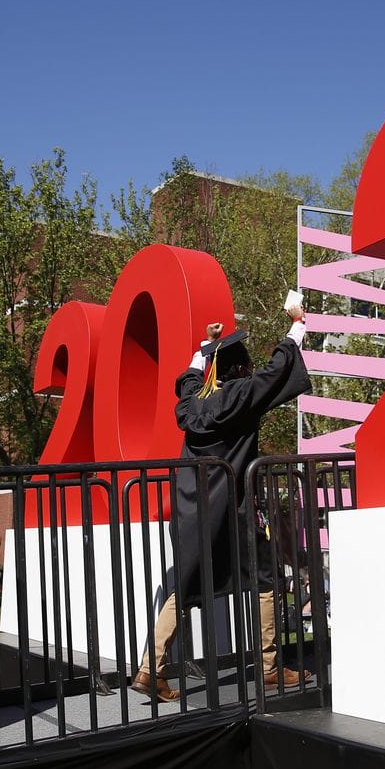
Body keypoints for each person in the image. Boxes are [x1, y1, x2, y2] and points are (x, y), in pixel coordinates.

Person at [132, 300, 313, 701]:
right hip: (233, 507)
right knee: (267, 575)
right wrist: (296, 326)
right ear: (239, 370)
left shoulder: (193, 404)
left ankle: (150, 667)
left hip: (193, 507)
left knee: (184, 582)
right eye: (245, 365)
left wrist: (205, 348)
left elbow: (190, 380)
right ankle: (268, 669)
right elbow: (276, 371)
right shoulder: (240, 395)